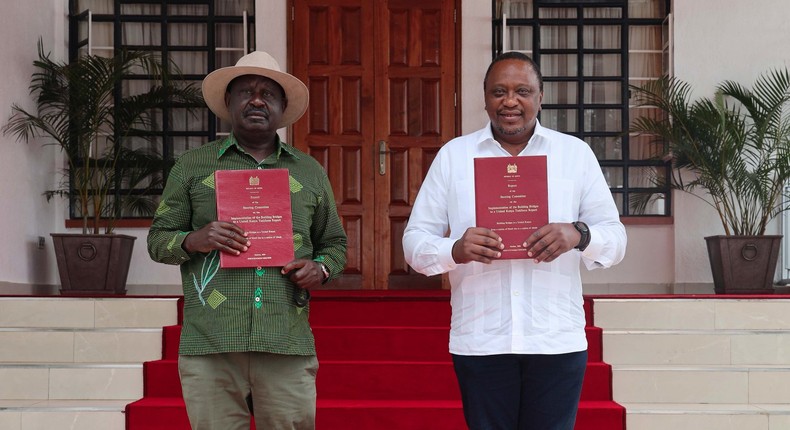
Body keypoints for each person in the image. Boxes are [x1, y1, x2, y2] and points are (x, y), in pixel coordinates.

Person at [402, 51, 627, 430]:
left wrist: (579, 234)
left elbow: (616, 238)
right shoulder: (454, 157)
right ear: (485, 98)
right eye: (498, 91)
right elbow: (414, 243)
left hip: (555, 338)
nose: (510, 101)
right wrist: (454, 249)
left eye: (522, 91)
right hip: (482, 338)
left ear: (540, 97)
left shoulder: (575, 155)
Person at [147, 51, 347, 430]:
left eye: (268, 94)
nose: (257, 100)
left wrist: (320, 268)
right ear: (229, 102)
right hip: (212, 339)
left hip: (284, 338)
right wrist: (195, 239)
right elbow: (158, 241)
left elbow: (334, 243)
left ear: (282, 106)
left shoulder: (309, 171)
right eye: (246, 92)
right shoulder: (193, 165)